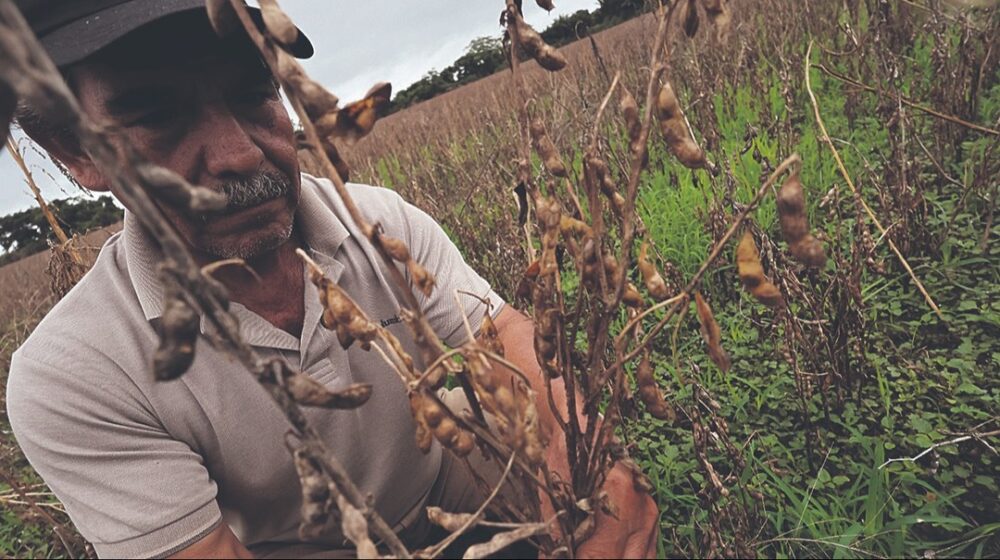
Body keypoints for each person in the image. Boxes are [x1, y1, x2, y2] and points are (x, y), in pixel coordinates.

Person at [6, 1, 658, 557]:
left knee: (569, 473)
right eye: (156, 115)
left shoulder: (378, 220)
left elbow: (502, 343)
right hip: (302, 548)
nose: (238, 154)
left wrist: (585, 464)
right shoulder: (73, 374)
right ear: (76, 152)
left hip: (441, 487)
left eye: (252, 91)